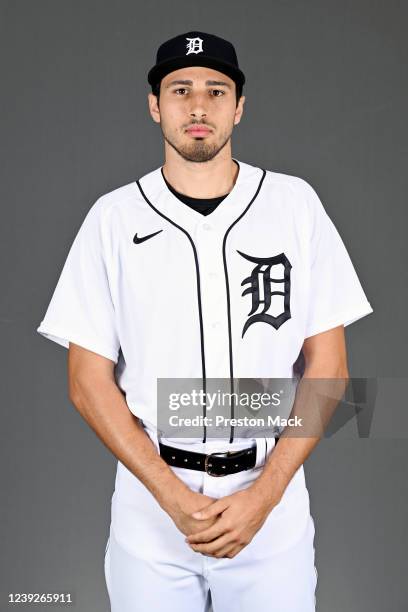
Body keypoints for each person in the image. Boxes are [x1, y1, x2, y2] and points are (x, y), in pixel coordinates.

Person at [36, 30, 374, 611]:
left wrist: (265, 497)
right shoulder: (113, 219)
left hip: (270, 502)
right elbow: (86, 380)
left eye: (217, 91)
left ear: (239, 107)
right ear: (154, 105)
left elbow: (330, 368)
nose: (198, 106)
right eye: (180, 89)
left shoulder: (295, 206)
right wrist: (169, 496)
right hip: (151, 506)